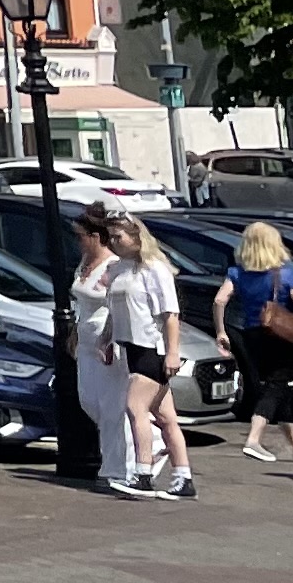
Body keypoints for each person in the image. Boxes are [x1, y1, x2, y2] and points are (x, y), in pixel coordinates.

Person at [215, 220, 293, 466]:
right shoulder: (285, 274)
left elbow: (220, 300)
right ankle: (253, 439)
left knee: (277, 388)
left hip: (253, 335)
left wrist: (221, 330)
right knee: (276, 385)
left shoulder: (237, 273)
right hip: (281, 337)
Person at [110, 212, 191, 497]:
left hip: (152, 347)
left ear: (136, 237)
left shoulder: (155, 268)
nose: (113, 242)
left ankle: (143, 473)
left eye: (118, 237)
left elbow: (170, 314)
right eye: (110, 237)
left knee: (135, 407)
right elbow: (115, 308)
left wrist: (172, 352)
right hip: (131, 345)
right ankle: (184, 477)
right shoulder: (119, 268)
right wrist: (108, 339)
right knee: (166, 417)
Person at [68, 210, 137, 492]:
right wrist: (73, 331)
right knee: (90, 402)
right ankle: (150, 442)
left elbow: (116, 305)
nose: (77, 241)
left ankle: (118, 468)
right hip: (85, 340)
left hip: (105, 342)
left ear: (95, 237)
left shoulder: (113, 265)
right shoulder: (85, 261)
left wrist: (111, 339)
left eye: (80, 236)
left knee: (112, 408)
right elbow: (78, 303)